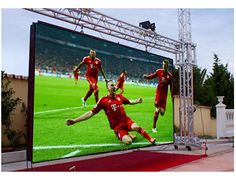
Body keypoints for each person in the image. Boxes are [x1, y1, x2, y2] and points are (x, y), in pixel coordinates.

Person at [66, 80, 156, 145]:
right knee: (128, 142)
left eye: (114, 85)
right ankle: (120, 134)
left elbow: (129, 101)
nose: (114, 86)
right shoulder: (103, 100)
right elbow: (90, 113)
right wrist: (75, 120)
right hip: (117, 127)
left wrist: (137, 100)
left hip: (126, 121)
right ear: (107, 88)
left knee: (136, 127)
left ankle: (150, 139)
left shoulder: (119, 97)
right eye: (111, 85)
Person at [143, 59, 173, 133]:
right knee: (157, 109)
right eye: (163, 65)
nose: (164, 66)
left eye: (165, 65)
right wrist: (147, 77)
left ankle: (158, 107)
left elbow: (171, 88)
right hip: (158, 94)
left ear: (167, 66)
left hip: (164, 96)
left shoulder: (170, 76)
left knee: (162, 113)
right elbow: (152, 76)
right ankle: (154, 127)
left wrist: (172, 97)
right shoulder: (159, 71)